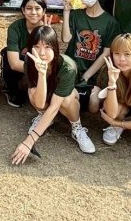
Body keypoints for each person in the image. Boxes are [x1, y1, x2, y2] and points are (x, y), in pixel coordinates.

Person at [11, 25, 94, 164]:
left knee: (66, 99)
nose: (42, 53)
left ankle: (77, 126)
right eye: (36, 47)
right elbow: (39, 102)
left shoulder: (67, 67)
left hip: (72, 96)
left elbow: (55, 106)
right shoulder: (29, 62)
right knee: (33, 92)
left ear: (55, 48)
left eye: (47, 47)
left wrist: (29, 141)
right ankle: (45, 117)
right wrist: (42, 74)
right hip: (49, 94)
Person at [61, 0, 120, 114]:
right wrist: (66, 12)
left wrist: (87, 76)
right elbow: (65, 39)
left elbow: (106, 53)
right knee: (66, 100)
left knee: (93, 106)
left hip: (93, 74)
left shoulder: (111, 22)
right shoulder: (76, 15)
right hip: (73, 70)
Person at [2, 0, 48, 108]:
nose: (33, 12)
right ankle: (11, 89)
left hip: (39, 64)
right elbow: (14, 63)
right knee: (6, 53)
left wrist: (47, 36)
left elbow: (50, 59)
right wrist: (37, 70)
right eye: (29, 8)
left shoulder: (46, 30)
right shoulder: (15, 28)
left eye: (37, 8)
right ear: (23, 10)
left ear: (43, 11)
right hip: (24, 62)